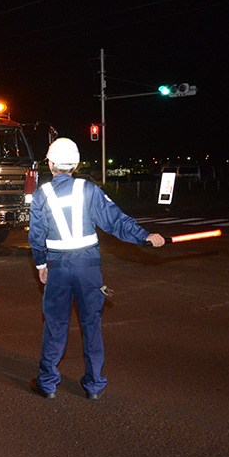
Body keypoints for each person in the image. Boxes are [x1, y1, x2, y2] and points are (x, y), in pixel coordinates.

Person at [29, 137, 165, 400]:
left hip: (57, 267)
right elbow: (116, 221)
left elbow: (36, 236)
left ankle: (47, 383)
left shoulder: (40, 195)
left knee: (55, 325)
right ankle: (93, 385)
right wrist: (145, 236)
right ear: (76, 163)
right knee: (91, 324)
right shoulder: (88, 190)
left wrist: (41, 264)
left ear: (51, 163)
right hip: (88, 268)